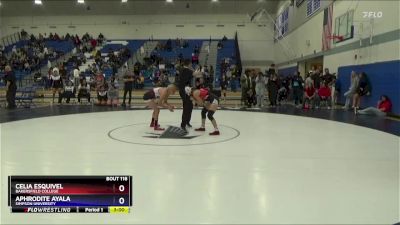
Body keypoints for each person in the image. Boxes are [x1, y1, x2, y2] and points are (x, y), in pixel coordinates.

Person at [177, 59, 194, 131]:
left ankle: (187, 121)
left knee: (190, 106)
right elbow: (195, 74)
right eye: (191, 64)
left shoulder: (183, 69)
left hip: (187, 90)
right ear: (189, 64)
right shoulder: (186, 70)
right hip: (184, 91)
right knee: (186, 107)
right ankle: (183, 124)